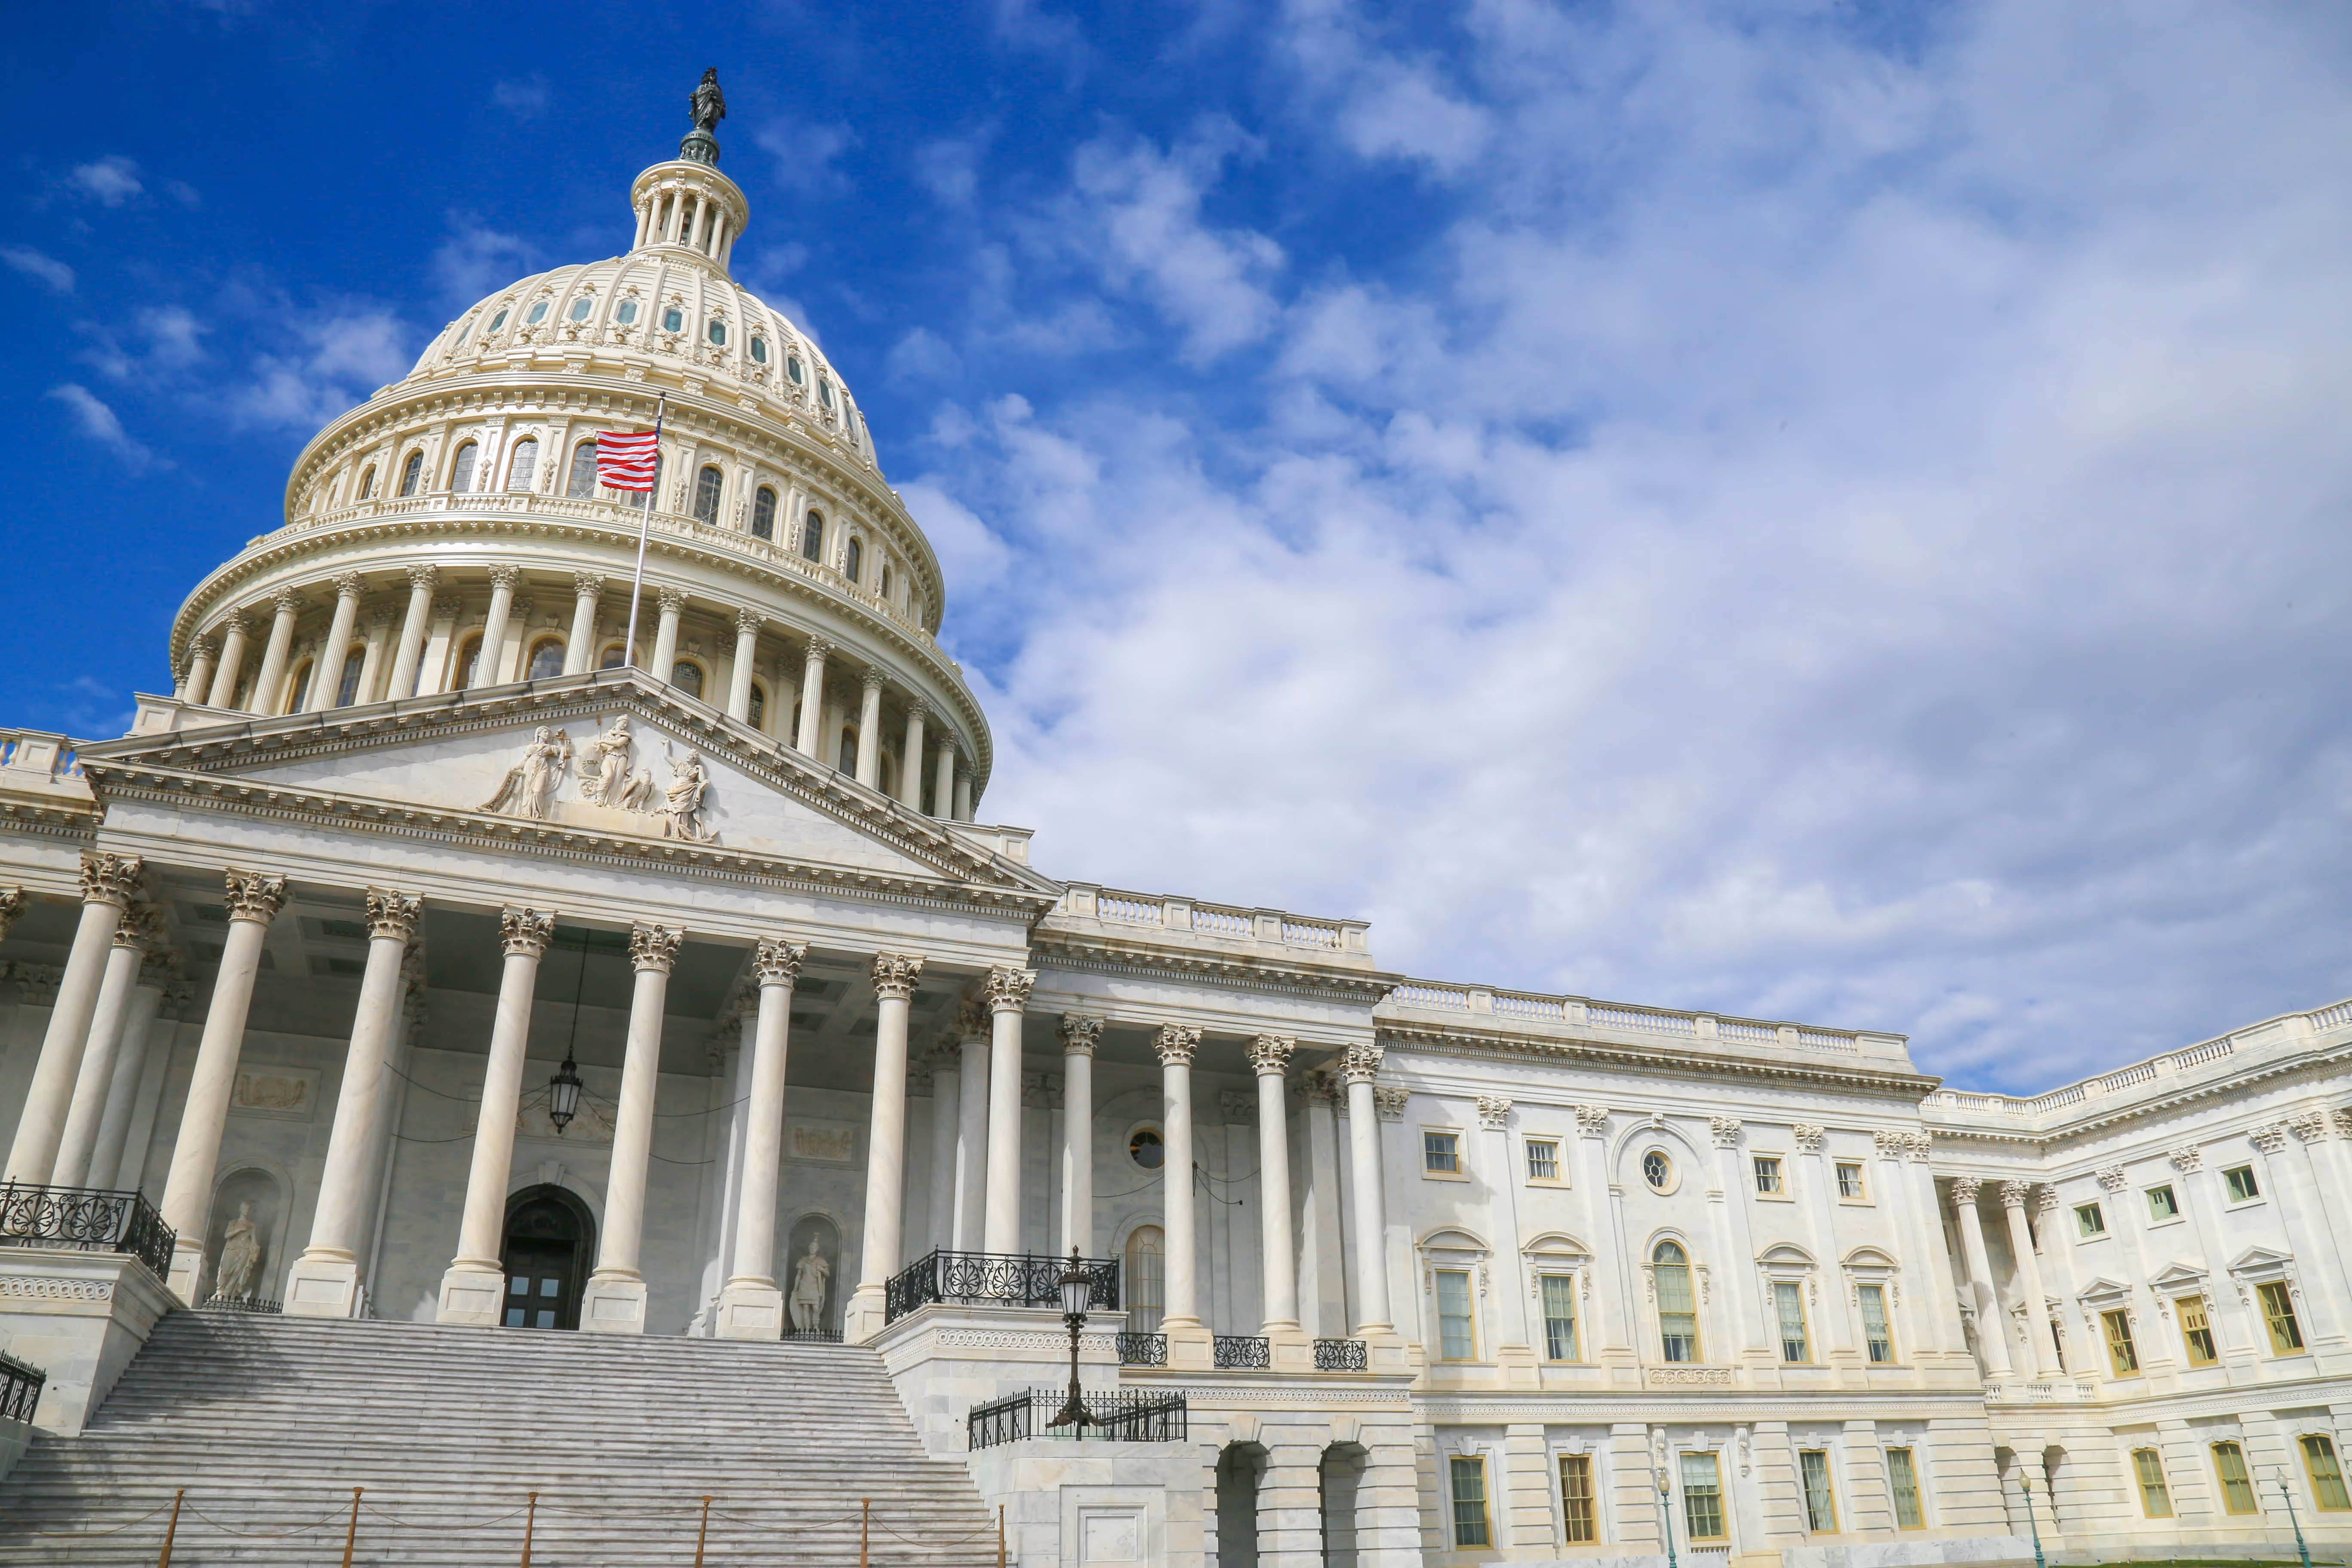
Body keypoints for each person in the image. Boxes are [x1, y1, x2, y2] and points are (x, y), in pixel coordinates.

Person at [214, 1201, 262, 1302]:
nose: (246, 1211)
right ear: (240, 1209)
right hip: (232, 1249)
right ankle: (220, 1292)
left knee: (238, 1273)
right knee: (226, 1271)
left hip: (245, 1250)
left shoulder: (251, 1225)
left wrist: (255, 1248)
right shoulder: (234, 1222)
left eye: (248, 1209)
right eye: (245, 1208)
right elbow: (227, 1235)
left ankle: (228, 1295)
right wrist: (239, 1230)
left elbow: (254, 1240)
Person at [788, 1236, 830, 1333]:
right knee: (806, 1308)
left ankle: (815, 1327)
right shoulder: (803, 1260)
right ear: (809, 1248)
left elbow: (828, 1274)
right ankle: (806, 1328)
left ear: (817, 1249)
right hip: (804, 1286)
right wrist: (795, 1289)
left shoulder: (821, 1261)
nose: (812, 1248)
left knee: (816, 1307)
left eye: (815, 1247)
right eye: (811, 1246)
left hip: (815, 1286)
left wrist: (822, 1269)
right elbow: (798, 1276)